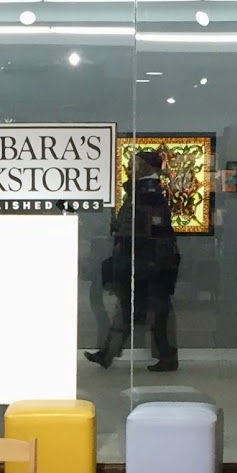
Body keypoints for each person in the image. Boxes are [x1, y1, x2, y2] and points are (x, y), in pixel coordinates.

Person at [86, 149, 180, 371]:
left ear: (146, 168)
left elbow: (151, 231)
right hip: (144, 261)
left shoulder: (148, 193)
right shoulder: (142, 191)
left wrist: (149, 260)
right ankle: (108, 354)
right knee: (135, 309)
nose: (129, 168)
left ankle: (165, 357)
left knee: (154, 311)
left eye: (135, 164)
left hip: (147, 262)